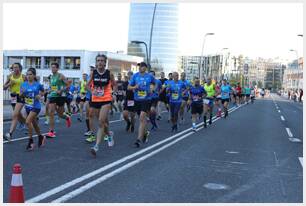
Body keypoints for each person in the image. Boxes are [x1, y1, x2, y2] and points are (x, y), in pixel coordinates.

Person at [89, 54, 116, 156]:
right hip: (95, 100)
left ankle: (96, 147)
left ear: (105, 63)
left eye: (102, 61)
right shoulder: (93, 73)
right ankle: (109, 134)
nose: (100, 62)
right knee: (102, 123)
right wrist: (92, 91)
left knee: (101, 122)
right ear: (96, 62)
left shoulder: (109, 74)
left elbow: (115, 85)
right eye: (98, 60)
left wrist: (113, 94)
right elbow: (88, 85)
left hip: (106, 100)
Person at [128, 62, 155, 148]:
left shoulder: (150, 76)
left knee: (142, 117)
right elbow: (129, 87)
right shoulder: (135, 76)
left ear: (145, 68)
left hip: (146, 100)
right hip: (137, 100)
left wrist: (152, 88)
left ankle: (138, 139)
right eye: (139, 66)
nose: (140, 68)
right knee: (142, 120)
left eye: (142, 66)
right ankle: (145, 132)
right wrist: (134, 87)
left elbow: (155, 83)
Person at [20, 68, 46, 150]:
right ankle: (40, 137)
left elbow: (43, 92)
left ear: (34, 75)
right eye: (27, 74)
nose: (28, 76)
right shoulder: (23, 84)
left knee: (28, 121)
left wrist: (40, 95)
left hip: (36, 106)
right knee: (34, 124)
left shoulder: (38, 84)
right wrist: (23, 93)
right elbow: (20, 95)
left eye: (30, 74)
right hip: (27, 106)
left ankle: (30, 142)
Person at [46, 62, 72, 138]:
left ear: (57, 68)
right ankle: (51, 131)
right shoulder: (51, 77)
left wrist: (61, 90)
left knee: (60, 114)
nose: (52, 69)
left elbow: (68, 85)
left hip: (61, 96)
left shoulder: (61, 76)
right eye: (51, 67)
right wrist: (50, 90)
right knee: (51, 112)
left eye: (54, 67)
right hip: (53, 96)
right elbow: (52, 86)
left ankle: (67, 118)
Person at [3, 63, 27, 141]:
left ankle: (9, 134)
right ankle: (27, 123)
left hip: (21, 96)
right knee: (18, 114)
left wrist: (24, 91)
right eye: (13, 67)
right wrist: (10, 83)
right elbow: (4, 88)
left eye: (16, 67)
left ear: (20, 68)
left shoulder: (23, 77)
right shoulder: (10, 76)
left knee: (15, 114)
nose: (15, 69)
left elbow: (28, 86)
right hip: (13, 96)